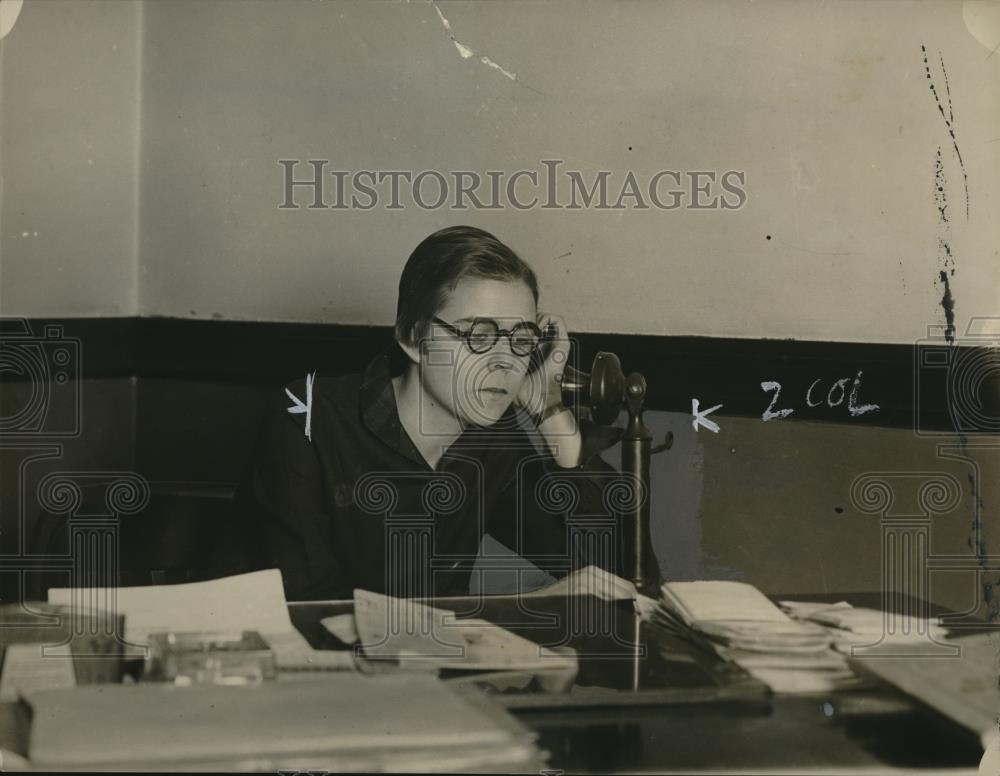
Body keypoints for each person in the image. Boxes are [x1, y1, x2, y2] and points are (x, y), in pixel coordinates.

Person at [235, 226, 628, 601]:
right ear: (413, 338)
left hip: (429, 664)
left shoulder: (492, 439)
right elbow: (310, 610)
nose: (506, 362)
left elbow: (616, 573)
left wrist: (552, 414)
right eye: (479, 336)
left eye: (522, 339)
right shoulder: (306, 419)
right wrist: (521, 609)